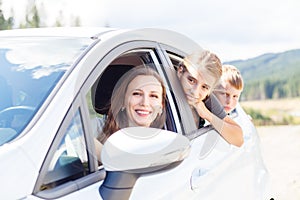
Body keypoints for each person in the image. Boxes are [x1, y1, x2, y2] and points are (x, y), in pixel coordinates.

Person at [95, 66, 167, 161]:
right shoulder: (96, 128)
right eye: (137, 93)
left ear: (161, 106)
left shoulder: (163, 145)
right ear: (123, 101)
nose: (145, 103)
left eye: (153, 96)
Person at [177, 50, 243, 147]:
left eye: (204, 87)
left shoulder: (205, 98)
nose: (195, 92)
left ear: (210, 90)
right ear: (180, 71)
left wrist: (207, 115)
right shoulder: (159, 88)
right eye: (191, 80)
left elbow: (238, 139)